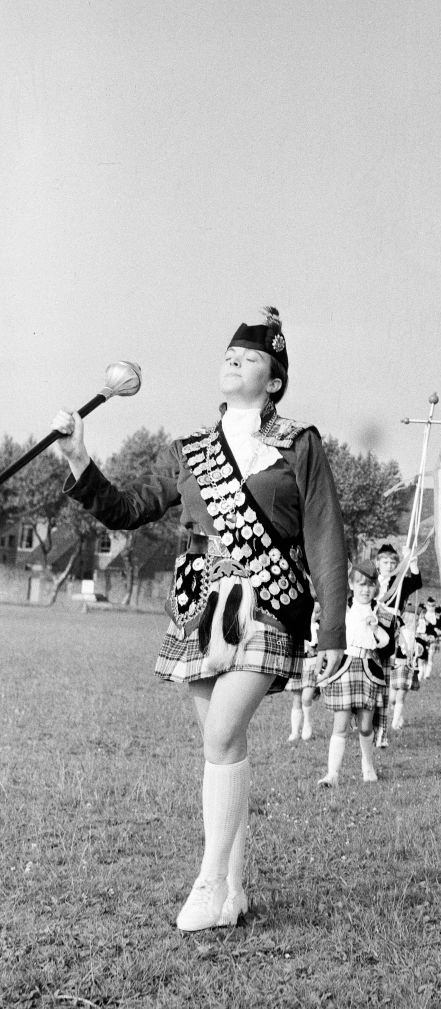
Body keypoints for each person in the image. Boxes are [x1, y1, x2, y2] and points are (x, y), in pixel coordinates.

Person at [53, 307, 348, 932]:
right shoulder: (191, 451)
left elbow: (324, 534)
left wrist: (332, 632)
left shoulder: (300, 443)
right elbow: (127, 510)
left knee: (220, 736)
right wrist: (80, 457)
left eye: (251, 356)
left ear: (274, 381)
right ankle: (235, 890)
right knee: (224, 745)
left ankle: (209, 883)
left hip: (267, 601)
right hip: (196, 604)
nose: (233, 358)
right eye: (230, 352)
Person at [317, 560, 396, 786]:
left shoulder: (382, 613)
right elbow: (329, 634)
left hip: (368, 668)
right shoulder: (342, 609)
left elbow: (388, 645)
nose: (365, 589)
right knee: (339, 726)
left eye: (370, 585)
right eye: (360, 584)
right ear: (351, 584)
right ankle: (332, 774)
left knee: (365, 726)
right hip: (344, 667)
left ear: (376, 587)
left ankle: (368, 767)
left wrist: (375, 627)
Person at [373, 543, 421, 746]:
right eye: (385, 561)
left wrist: (412, 562)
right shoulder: (371, 580)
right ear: (378, 563)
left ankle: (382, 725)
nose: (389, 565)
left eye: (393, 561)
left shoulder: (399, 581)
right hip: (369, 626)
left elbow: (416, 582)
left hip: (390, 627)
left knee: (384, 676)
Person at [287, 600, 322, 742]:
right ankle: (295, 731)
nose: (314, 614)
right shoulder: (298, 626)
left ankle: (307, 723)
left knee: (306, 697)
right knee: (296, 698)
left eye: (317, 612)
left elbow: (321, 648)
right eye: (312, 611)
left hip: (312, 663)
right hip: (299, 662)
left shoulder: (319, 628)